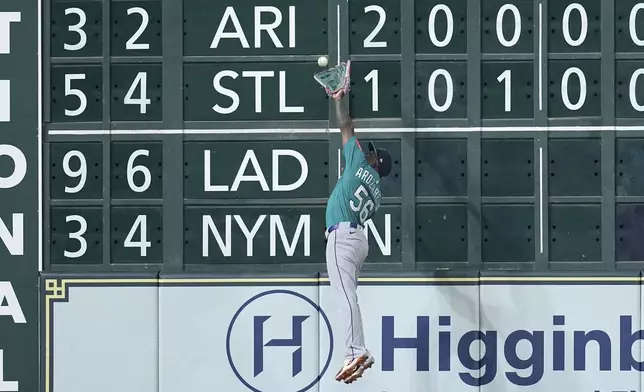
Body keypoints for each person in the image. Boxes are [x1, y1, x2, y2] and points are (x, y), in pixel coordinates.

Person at [325, 89, 392, 384]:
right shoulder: (377, 191)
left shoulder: (358, 164)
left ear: (375, 163)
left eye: (373, 154)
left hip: (343, 235)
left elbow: (346, 127)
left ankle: (356, 350)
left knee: (345, 296)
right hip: (358, 239)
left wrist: (339, 100)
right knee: (348, 295)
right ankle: (357, 350)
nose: (369, 153)